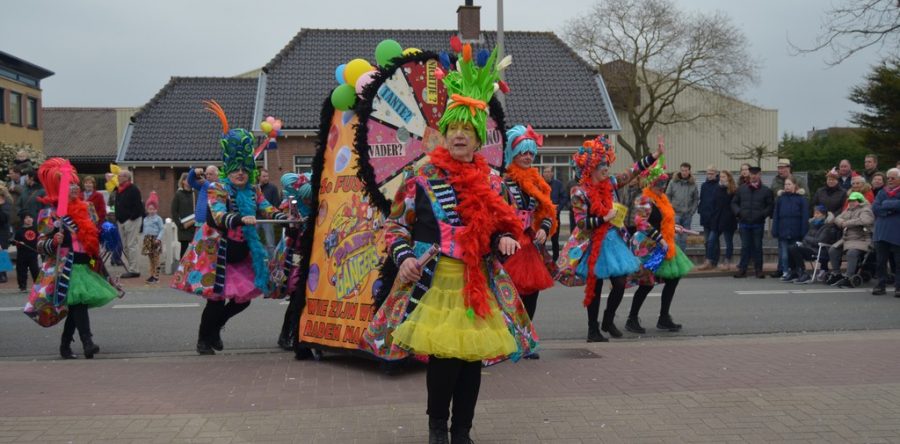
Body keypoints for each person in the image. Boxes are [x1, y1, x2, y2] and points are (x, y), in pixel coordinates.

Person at [359, 40, 536, 444]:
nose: (459, 136)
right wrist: (404, 257)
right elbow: (395, 226)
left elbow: (504, 225)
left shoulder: (494, 182)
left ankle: (462, 431)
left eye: (466, 131)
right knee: (444, 362)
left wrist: (506, 239)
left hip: (477, 281)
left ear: (478, 139)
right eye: (453, 129)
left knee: (471, 362)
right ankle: (437, 427)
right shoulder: (420, 179)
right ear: (444, 135)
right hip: (433, 284)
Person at [171, 100, 288, 356]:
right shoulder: (218, 188)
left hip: (241, 251)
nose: (240, 174)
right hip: (217, 252)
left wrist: (283, 216)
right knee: (216, 300)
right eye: (236, 169)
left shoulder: (253, 190)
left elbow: (266, 207)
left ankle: (216, 328)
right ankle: (204, 339)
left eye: (245, 169)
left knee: (244, 299)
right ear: (229, 169)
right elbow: (217, 214)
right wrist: (238, 219)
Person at [563, 136, 657, 342]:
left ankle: (608, 319)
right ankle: (592, 329)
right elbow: (581, 222)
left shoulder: (611, 183)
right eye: (601, 165)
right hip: (593, 242)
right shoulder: (579, 192)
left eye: (607, 163)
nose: (606, 168)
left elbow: (631, 172)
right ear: (590, 168)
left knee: (620, 283)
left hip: (614, 240)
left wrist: (654, 156)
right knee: (594, 287)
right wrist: (603, 218)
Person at [32, 159, 119, 359]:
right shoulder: (49, 214)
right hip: (65, 267)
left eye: (75, 183)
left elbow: (93, 236)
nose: (74, 187)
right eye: (68, 184)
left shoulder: (87, 208)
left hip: (85, 263)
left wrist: (106, 233)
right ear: (58, 188)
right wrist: (53, 241)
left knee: (76, 307)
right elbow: (40, 245)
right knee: (78, 304)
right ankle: (87, 342)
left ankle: (65, 345)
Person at [625, 157, 694, 333]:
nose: (662, 187)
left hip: (663, 244)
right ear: (651, 183)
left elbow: (662, 220)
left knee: (673, 279)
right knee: (647, 283)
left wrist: (674, 227)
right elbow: (641, 223)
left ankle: (664, 317)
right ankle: (632, 319)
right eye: (659, 184)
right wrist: (659, 238)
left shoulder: (662, 198)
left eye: (664, 183)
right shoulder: (644, 199)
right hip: (648, 245)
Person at [501, 125, 556, 344]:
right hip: (507, 245)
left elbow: (547, 211)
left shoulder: (537, 183)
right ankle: (508, 338)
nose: (527, 157)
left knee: (532, 293)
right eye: (523, 152)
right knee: (508, 294)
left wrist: (544, 228)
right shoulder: (503, 181)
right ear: (513, 153)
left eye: (531, 153)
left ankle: (524, 338)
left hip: (530, 246)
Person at [273, 173, 313, 351]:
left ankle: (304, 334)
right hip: (296, 254)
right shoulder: (292, 205)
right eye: (306, 199)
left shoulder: (320, 204)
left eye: (311, 199)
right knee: (297, 294)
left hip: (316, 254)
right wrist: (293, 224)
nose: (309, 202)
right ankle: (286, 335)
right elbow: (288, 230)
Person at [731, 166, 773, 279]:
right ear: (749, 175)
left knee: (757, 247)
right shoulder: (741, 189)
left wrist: (762, 215)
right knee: (745, 247)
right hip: (744, 223)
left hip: (758, 223)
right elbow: (734, 203)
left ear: (760, 175)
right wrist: (739, 213)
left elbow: (770, 206)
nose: (754, 176)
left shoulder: (766, 190)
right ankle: (742, 269)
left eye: (756, 174)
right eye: (752, 174)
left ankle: (758, 270)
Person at [826, 192, 874, 287]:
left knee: (852, 253)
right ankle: (836, 273)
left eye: (853, 201)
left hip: (861, 239)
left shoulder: (866, 210)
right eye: (850, 201)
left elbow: (865, 221)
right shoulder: (848, 210)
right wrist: (842, 222)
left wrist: (847, 223)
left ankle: (849, 277)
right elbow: (837, 218)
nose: (851, 202)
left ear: (860, 201)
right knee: (833, 250)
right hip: (847, 239)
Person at [787, 205, 839, 284]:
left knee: (794, 249)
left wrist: (808, 239)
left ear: (824, 215)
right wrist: (807, 240)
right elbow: (805, 239)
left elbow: (819, 241)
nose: (815, 215)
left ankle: (803, 273)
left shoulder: (827, 227)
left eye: (818, 213)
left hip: (820, 251)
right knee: (790, 248)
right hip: (810, 248)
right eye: (814, 213)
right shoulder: (813, 225)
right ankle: (794, 272)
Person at [771, 177, 809, 281]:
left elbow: (804, 217)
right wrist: (775, 229)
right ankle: (785, 271)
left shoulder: (801, 199)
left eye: (789, 184)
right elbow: (776, 215)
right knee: (784, 254)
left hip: (796, 231)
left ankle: (797, 271)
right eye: (785, 184)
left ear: (795, 185)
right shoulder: (780, 199)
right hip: (783, 230)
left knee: (794, 253)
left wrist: (803, 231)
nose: (787, 186)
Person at [871, 168, 900, 297]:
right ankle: (880, 285)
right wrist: (891, 209)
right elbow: (875, 208)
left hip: (897, 232)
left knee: (898, 262)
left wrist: (886, 205)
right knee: (881, 262)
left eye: (893, 178)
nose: (890, 180)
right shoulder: (882, 192)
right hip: (881, 232)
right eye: (888, 178)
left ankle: (898, 287)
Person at [115, 168, 144, 278]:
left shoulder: (133, 189)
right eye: (119, 175)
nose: (118, 177)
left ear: (127, 178)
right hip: (121, 221)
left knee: (132, 245)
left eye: (121, 176)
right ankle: (132, 266)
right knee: (125, 246)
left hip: (131, 220)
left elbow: (138, 206)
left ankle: (134, 270)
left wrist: (131, 218)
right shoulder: (119, 189)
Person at [707, 170, 738, 271]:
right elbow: (713, 203)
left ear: (728, 177)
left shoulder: (733, 190)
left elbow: (734, 204)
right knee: (711, 240)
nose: (722, 178)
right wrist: (713, 216)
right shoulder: (717, 188)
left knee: (728, 242)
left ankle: (727, 261)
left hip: (729, 220)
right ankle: (709, 261)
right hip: (717, 219)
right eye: (720, 177)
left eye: (724, 176)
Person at [665, 162, 698, 252]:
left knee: (683, 239)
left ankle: (682, 256)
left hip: (687, 215)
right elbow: (667, 196)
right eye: (682, 170)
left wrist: (692, 212)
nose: (684, 172)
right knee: (675, 237)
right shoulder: (673, 182)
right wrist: (670, 209)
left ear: (689, 171)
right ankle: (674, 254)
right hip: (675, 214)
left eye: (686, 171)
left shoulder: (693, 184)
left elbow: (696, 199)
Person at [697, 164, 719, 270]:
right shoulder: (704, 185)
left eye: (711, 173)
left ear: (716, 174)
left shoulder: (719, 185)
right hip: (705, 217)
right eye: (708, 173)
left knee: (712, 240)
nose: (709, 175)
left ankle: (710, 261)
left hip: (715, 218)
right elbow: (702, 199)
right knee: (707, 241)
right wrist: (701, 211)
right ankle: (711, 261)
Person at [543, 165, 567, 262]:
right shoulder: (539, 183)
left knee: (555, 239)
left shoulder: (558, 184)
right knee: (542, 239)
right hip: (542, 216)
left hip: (555, 215)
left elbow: (564, 197)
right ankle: (543, 259)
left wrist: (559, 208)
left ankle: (555, 259)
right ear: (543, 173)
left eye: (549, 172)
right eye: (545, 172)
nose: (547, 174)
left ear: (552, 173)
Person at [141, 192, 165, 284]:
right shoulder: (145, 219)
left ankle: (156, 277)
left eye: (153, 209)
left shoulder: (158, 219)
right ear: (147, 209)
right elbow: (144, 230)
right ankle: (151, 275)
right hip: (148, 240)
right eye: (149, 209)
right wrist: (144, 240)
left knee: (156, 258)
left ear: (156, 209)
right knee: (150, 259)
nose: (151, 211)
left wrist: (159, 239)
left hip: (155, 240)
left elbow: (162, 229)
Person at [171, 172, 196, 257]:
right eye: (188, 179)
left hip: (195, 226)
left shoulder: (195, 193)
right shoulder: (178, 194)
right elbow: (174, 211)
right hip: (184, 228)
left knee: (195, 252)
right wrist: (180, 225)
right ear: (183, 181)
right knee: (184, 252)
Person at [257, 168, 281, 256]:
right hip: (255, 218)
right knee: (252, 240)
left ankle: (272, 260)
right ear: (258, 177)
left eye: (267, 176)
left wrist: (274, 214)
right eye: (264, 176)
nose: (266, 178)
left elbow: (276, 203)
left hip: (267, 219)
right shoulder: (254, 188)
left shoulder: (272, 188)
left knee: (270, 242)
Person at [14, 213, 40, 291]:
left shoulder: (37, 229)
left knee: (35, 269)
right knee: (21, 270)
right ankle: (22, 286)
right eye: (26, 218)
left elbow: (41, 239)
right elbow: (15, 241)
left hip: (33, 253)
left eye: (30, 217)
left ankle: (38, 286)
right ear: (23, 220)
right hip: (22, 254)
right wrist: (19, 243)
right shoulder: (19, 231)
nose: (28, 219)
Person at [0, 186, 13, 282]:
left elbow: (4, 219)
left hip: (2, 232)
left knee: (2, 252)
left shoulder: (7, 203)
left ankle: (3, 275)